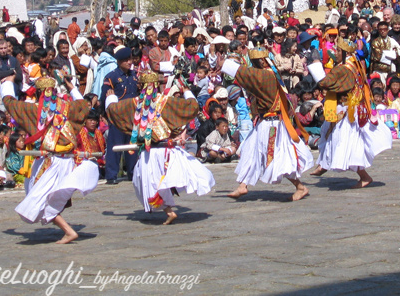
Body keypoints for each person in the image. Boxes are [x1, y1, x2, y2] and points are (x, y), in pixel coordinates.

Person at [105, 71, 214, 225]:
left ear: (139, 86)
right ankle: (168, 209)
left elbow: (113, 111)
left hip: (153, 152)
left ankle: (168, 210)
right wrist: (187, 91)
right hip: (163, 151)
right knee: (150, 182)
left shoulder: (133, 104)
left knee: (147, 183)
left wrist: (111, 97)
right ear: (157, 85)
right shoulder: (167, 102)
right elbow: (192, 107)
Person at [2, 76, 97, 244]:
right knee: (42, 197)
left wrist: (8, 83)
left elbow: (10, 103)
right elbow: (83, 106)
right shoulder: (69, 108)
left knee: (40, 199)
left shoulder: (33, 111)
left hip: (51, 163)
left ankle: (68, 231)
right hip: (65, 161)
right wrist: (72, 87)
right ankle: (67, 230)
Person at [221, 47, 313, 201]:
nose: (254, 66)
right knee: (250, 152)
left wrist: (226, 64)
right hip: (265, 122)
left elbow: (247, 74)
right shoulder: (272, 73)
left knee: (278, 158)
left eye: (255, 62)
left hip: (272, 125)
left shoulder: (265, 76)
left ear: (262, 61)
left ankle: (300, 186)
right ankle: (242, 186)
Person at [308, 36, 392, 188]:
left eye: (339, 50)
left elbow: (325, 83)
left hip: (347, 111)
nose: (336, 52)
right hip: (349, 108)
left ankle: (363, 176)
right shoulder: (354, 64)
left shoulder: (343, 69)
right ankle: (323, 164)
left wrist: (315, 65)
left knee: (348, 145)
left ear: (345, 52)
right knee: (329, 136)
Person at [100, 46, 139, 184]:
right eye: (126, 60)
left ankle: (133, 171)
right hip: (117, 117)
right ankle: (111, 175)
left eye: (130, 59)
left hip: (132, 116)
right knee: (115, 144)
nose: (129, 62)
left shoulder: (134, 76)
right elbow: (104, 97)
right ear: (119, 61)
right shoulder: (112, 77)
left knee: (132, 145)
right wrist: (104, 114)